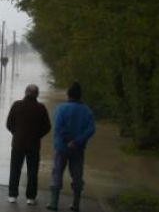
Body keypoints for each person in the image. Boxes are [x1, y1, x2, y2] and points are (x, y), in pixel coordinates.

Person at [47, 82, 95, 212]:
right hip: (78, 149)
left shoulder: (61, 108)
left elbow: (57, 127)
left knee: (57, 173)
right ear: (80, 95)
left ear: (68, 94)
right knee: (77, 176)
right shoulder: (87, 111)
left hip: (61, 148)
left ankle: (54, 203)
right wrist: (77, 141)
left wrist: (67, 140)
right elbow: (91, 129)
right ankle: (75, 204)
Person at [6, 84, 51, 205]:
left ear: (25, 92)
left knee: (15, 169)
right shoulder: (41, 108)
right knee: (32, 171)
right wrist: (37, 135)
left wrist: (16, 133)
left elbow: (9, 124)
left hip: (18, 143)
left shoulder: (16, 105)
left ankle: (12, 195)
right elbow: (47, 127)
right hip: (34, 144)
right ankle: (31, 198)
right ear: (37, 94)